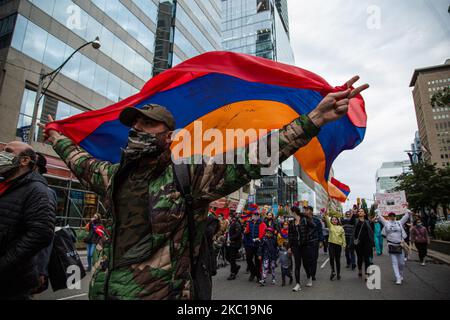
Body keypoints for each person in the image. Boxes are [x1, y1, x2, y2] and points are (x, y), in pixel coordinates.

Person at [42, 77, 368, 299]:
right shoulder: (112, 176)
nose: (137, 129)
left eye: (147, 124)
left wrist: (313, 119)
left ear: (168, 136)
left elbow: (256, 157)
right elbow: (78, 161)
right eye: (134, 124)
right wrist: (55, 136)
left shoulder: (190, 176)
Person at [0, 142, 55, 300]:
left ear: (24, 160)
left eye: (8, 151)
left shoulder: (38, 191)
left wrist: (4, 263)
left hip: (11, 282)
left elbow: (42, 233)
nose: (3, 154)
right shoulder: (6, 186)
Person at [32, 152, 58, 294]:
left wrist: (41, 269)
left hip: (21, 271)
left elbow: (44, 234)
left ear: (34, 166)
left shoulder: (44, 193)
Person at [288, 206, 323, 291]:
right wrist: (289, 247)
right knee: (297, 264)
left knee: (306, 264)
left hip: (305, 246)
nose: (289, 213)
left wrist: (308, 236)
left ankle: (309, 277)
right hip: (296, 246)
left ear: (294, 212)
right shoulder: (291, 223)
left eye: (290, 212)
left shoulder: (304, 219)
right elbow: (290, 236)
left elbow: (314, 227)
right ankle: (297, 284)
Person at [376, 210, 410, 285]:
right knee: (394, 262)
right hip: (391, 245)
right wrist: (378, 209)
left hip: (400, 245)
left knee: (401, 263)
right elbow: (380, 217)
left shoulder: (399, 223)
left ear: (395, 216)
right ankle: (397, 277)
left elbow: (406, 216)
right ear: (388, 217)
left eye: (393, 216)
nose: (392, 217)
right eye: (390, 216)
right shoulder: (386, 223)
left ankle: (400, 274)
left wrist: (406, 209)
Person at [243, 207, 267, 282]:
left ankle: (258, 275)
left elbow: (263, 233)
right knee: (248, 259)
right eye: (255, 214)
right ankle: (254, 273)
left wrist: (260, 239)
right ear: (252, 215)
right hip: (249, 244)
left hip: (258, 245)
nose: (256, 216)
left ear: (259, 216)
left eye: (257, 214)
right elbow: (246, 232)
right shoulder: (249, 223)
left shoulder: (262, 223)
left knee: (258, 261)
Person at [352, 208, 374, 280]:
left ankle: (367, 274)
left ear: (364, 213)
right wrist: (354, 213)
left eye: (362, 211)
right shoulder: (355, 221)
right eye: (359, 211)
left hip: (367, 242)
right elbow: (351, 221)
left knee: (367, 258)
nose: (360, 212)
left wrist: (372, 243)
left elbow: (371, 233)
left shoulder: (368, 222)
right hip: (358, 243)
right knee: (360, 258)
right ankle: (360, 269)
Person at [324, 212, 346, 281]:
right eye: (332, 219)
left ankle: (338, 273)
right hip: (331, 244)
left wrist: (344, 244)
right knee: (331, 258)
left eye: (335, 220)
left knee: (337, 260)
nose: (334, 221)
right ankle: (333, 271)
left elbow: (343, 237)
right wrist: (325, 214)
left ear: (337, 221)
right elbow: (326, 218)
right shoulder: (330, 226)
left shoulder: (341, 228)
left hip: (338, 245)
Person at [226, 213, 243, 280]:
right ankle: (236, 266)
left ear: (232, 217)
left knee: (232, 258)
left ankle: (233, 273)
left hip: (234, 244)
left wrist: (231, 238)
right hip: (229, 243)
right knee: (227, 256)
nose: (228, 218)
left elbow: (238, 233)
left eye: (229, 217)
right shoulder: (230, 223)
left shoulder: (236, 224)